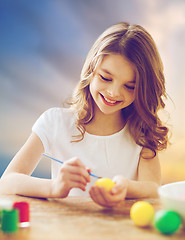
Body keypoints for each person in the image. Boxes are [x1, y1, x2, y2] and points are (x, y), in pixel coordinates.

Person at [0, 22, 169, 207]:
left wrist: (126, 188)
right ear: (91, 70)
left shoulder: (141, 132)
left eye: (129, 86)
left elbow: (154, 189)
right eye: (105, 78)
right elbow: (7, 182)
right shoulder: (55, 122)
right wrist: (54, 187)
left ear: (143, 90)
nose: (113, 92)